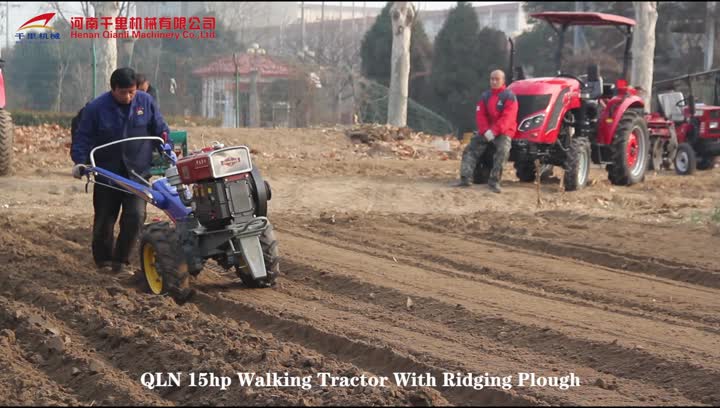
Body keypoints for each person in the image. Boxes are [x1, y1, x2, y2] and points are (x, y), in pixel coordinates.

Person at [71, 67, 170, 274]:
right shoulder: (96, 108)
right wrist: (80, 162)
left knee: (135, 216)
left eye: (132, 92)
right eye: (124, 92)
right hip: (107, 173)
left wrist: (166, 145)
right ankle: (104, 260)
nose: (129, 96)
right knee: (105, 220)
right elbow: (82, 138)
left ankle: (121, 261)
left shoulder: (145, 102)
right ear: (113, 89)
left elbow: (160, 128)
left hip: (137, 172)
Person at [455, 69, 518, 193]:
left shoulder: (509, 97)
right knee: (470, 148)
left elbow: (507, 118)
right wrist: (485, 131)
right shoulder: (485, 96)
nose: (494, 81)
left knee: (503, 151)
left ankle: (494, 181)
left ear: (503, 81)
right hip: (486, 132)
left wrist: (494, 131)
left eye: (497, 79)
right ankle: (465, 178)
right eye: (492, 79)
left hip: (503, 132)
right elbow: (480, 115)